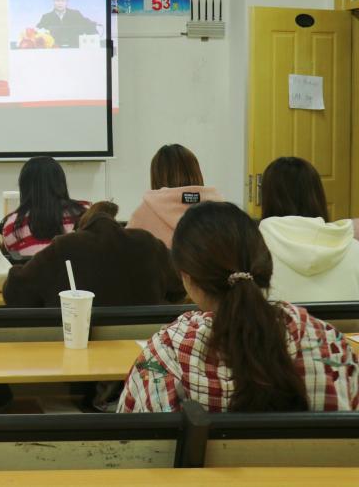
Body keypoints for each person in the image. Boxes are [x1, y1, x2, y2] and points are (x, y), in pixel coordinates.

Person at [119, 202, 358, 413]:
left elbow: (134, 441)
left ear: (187, 278)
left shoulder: (169, 352)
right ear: (263, 262)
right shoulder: (325, 341)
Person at [3, 201, 184, 307]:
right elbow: (180, 284)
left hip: (74, 346)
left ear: (81, 226)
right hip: (143, 344)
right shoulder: (147, 243)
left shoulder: (64, 247)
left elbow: (16, 293)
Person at [258, 157, 359, 302]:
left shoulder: (253, 249)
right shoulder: (354, 248)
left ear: (267, 197)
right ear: (318, 195)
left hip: (278, 318)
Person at [125, 144, 223, 248]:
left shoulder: (145, 214)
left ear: (157, 176)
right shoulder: (222, 212)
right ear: (196, 172)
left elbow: (124, 251)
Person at [1, 157, 87, 256]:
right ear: (61, 183)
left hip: (34, 266)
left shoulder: (12, 226)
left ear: (24, 187)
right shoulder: (85, 214)